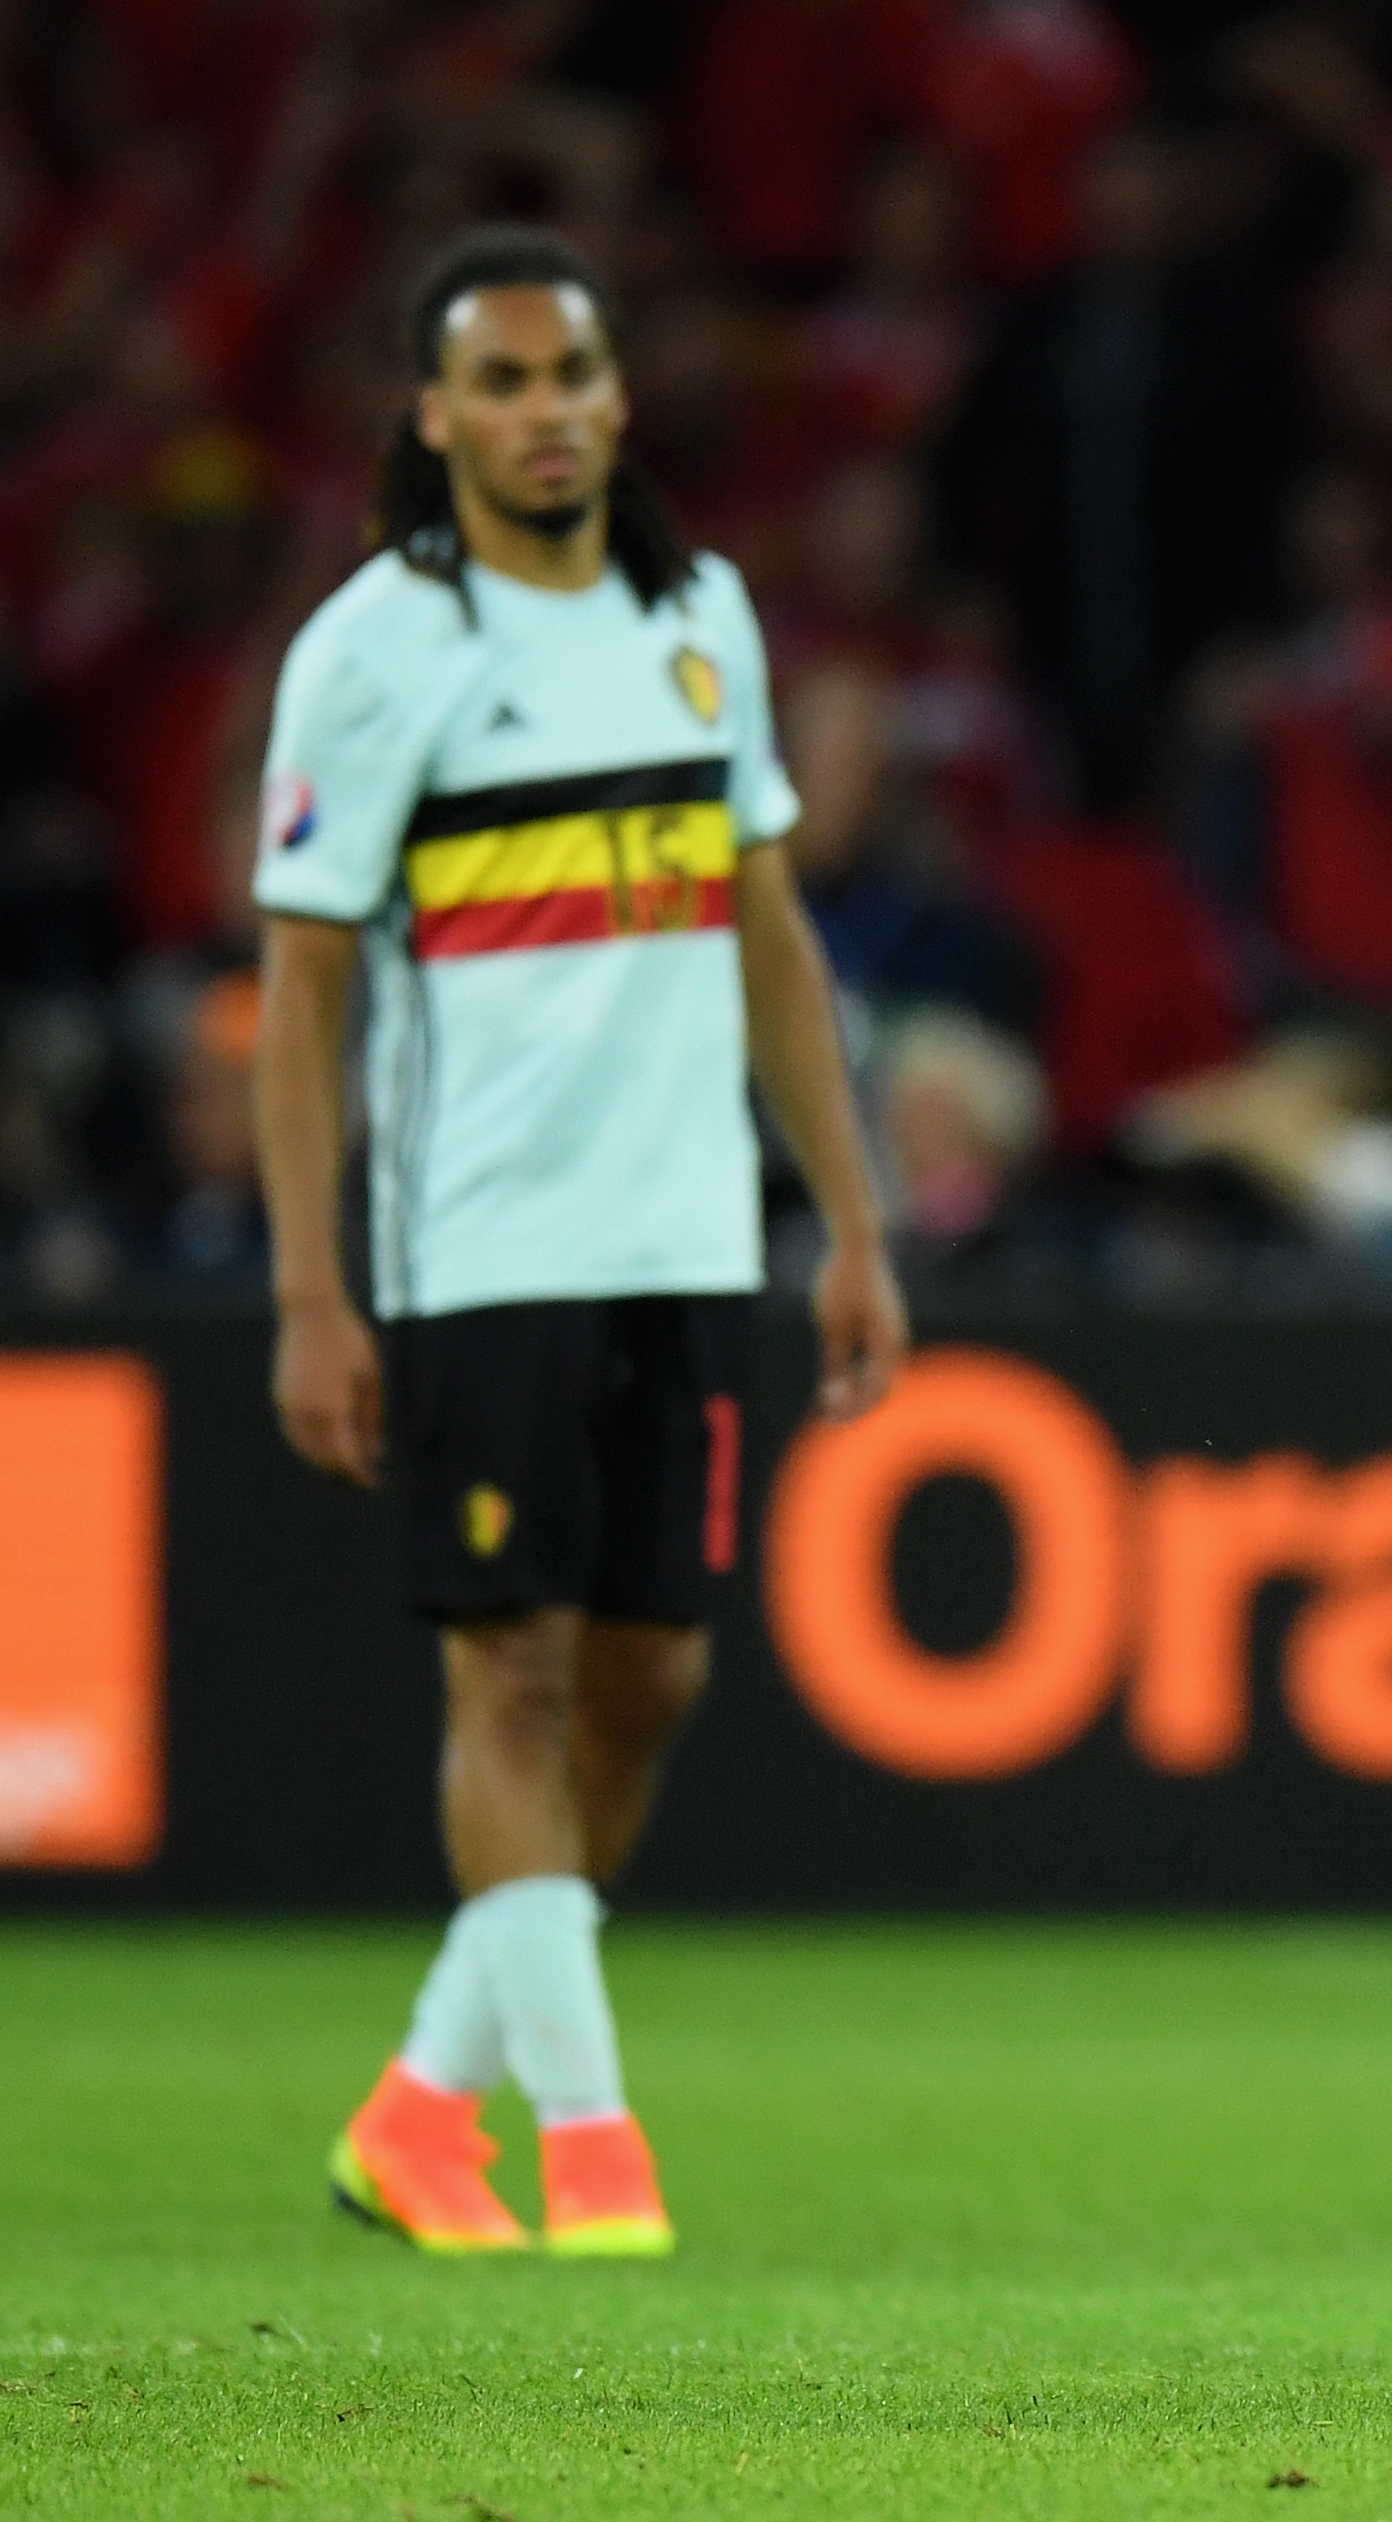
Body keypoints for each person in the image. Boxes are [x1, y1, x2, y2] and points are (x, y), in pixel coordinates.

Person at [251, 226, 905, 2257]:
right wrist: (311, 1290)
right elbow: (299, 995)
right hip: (479, 1245)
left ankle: (422, 2114)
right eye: (503, 382)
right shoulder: (375, 649)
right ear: (435, 417)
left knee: (653, 1680)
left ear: (621, 400)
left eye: (573, 377)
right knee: (513, 1681)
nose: (545, 414)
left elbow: (769, 934)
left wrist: (852, 1222)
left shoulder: (698, 614)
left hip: (686, 1235)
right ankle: (596, 2150)